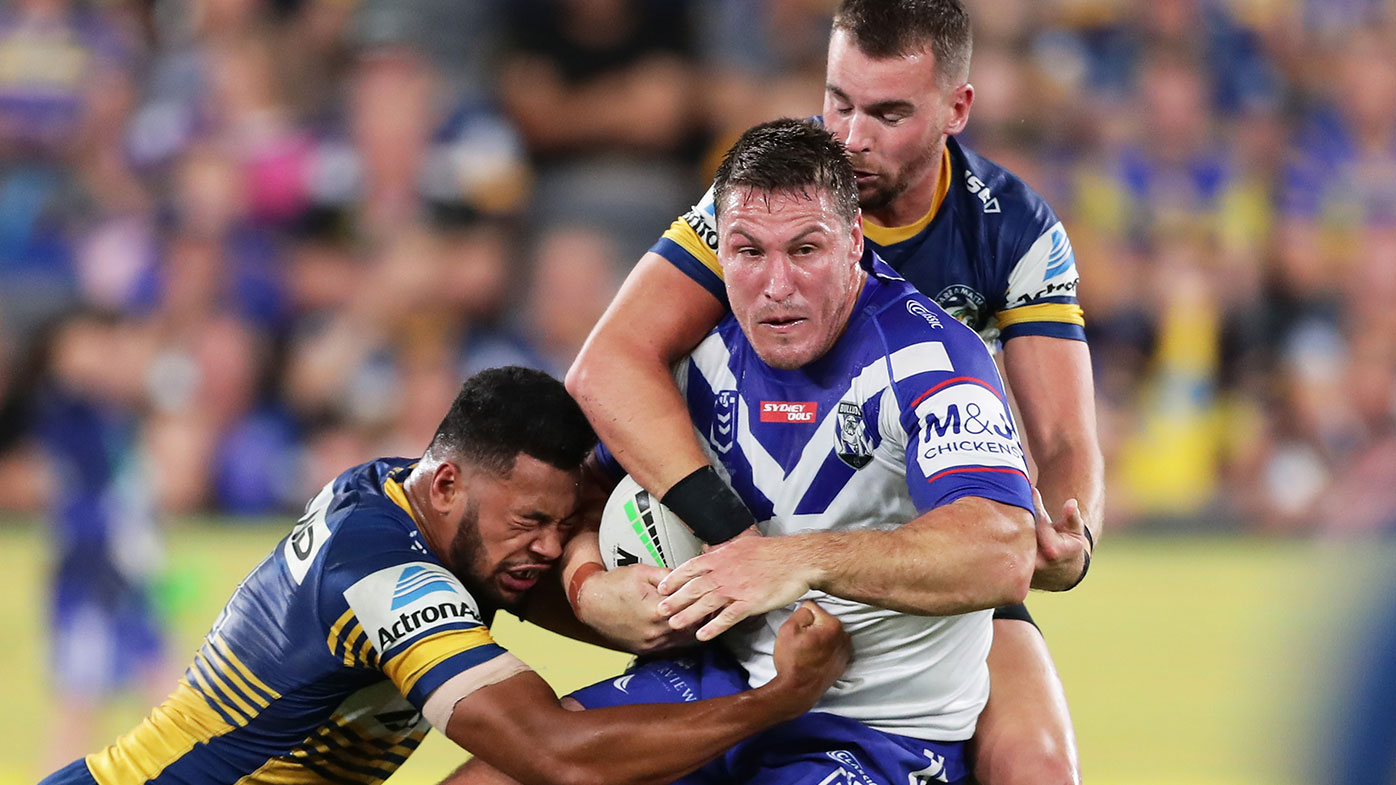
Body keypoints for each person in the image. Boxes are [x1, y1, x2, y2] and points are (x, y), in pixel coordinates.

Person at [566, 2, 1103, 783]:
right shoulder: (774, 195)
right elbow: (611, 361)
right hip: (774, 529)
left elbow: (1063, 439)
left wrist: (1063, 543)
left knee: (1037, 765)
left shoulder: (1013, 229)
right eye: (838, 102)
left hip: (924, 549)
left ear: (957, 108)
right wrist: (737, 540)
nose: (851, 137)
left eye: (888, 114)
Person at [450, 117, 1037, 785]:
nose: (776, 284)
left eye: (805, 249)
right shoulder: (693, 358)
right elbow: (582, 498)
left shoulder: (932, 359)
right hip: (713, 681)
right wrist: (589, 585)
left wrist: (798, 561)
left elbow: (1001, 551)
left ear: (854, 241)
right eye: (748, 251)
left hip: (879, 732)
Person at [40, 366, 851, 785]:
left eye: (560, 524)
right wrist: (776, 698)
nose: (546, 547)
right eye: (529, 522)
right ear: (448, 484)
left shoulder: (406, 496)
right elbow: (558, 757)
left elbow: (564, 591)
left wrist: (596, 579)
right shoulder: (384, 574)